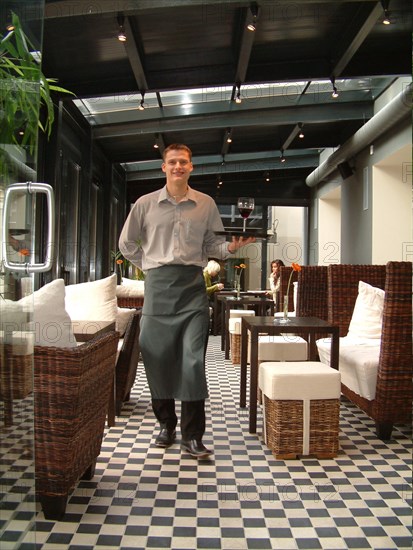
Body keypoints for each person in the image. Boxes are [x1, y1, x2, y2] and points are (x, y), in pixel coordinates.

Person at [118, 143, 255, 459]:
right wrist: (149, 263)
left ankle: (193, 436)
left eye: (184, 162)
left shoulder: (205, 204)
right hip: (158, 289)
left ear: (191, 167)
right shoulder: (144, 204)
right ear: (163, 167)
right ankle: (166, 424)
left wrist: (232, 248)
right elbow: (126, 244)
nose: (178, 166)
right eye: (172, 162)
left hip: (192, 290)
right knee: (157, 357)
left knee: (193, 361)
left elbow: (214, 246)